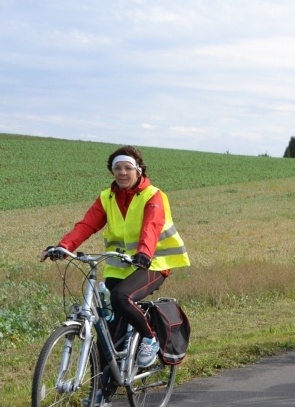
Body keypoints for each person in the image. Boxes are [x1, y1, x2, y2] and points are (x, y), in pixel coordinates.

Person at [40, 145, 191, 370]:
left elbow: (151, 226)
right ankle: (103, 387)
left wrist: (144, 253)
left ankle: (150, 339)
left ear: (139, 170)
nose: (122, 172)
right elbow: (87, 225)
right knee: (106, 326)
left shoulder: (154, 196)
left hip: (153, 262)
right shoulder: (107, 197)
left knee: (122, 297)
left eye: (127, 168)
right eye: (117, 168)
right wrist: (63, 246)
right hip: (119, 266)